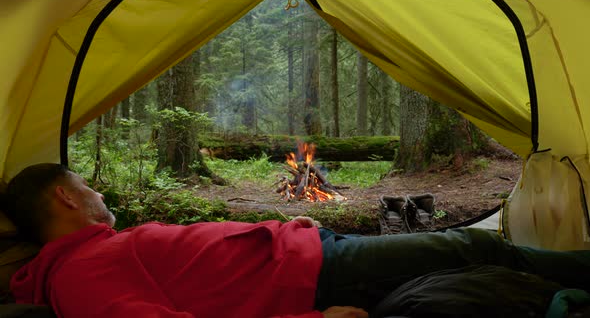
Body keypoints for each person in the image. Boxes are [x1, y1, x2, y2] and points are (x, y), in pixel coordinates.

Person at [1, 163, 590, 318]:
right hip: (316, 275)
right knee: (473, 248)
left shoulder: (86, 257)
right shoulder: (77, 277)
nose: (98, 195)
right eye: (86, 186)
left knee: (467, 256)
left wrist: (285, 225)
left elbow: (200, 265)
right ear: (64, 198)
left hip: (305, 251)